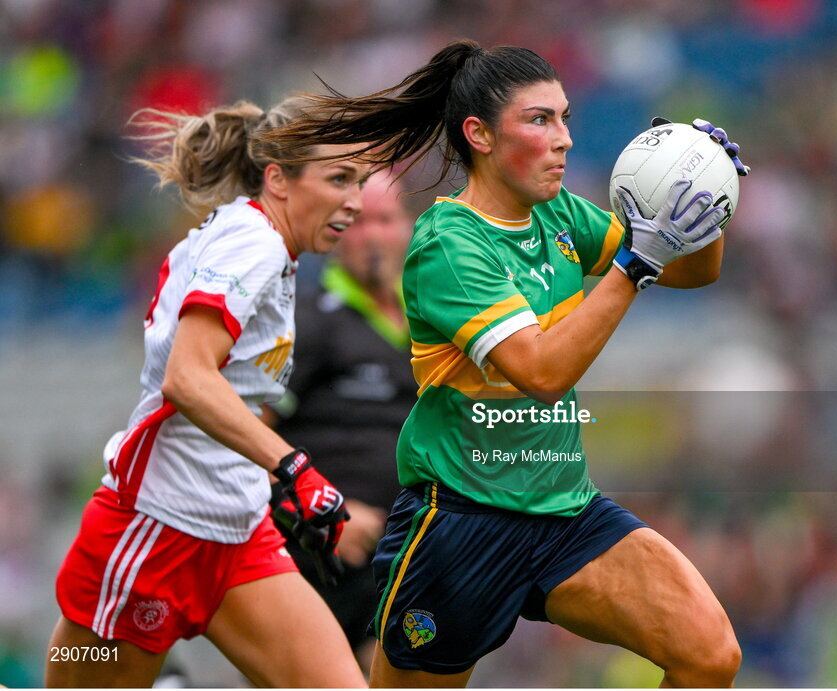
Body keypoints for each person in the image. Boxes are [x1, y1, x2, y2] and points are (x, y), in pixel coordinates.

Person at [262, 39, 749, 687]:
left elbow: (690, 269)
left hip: (563, 512)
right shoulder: (447, 243)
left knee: (709, 652)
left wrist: (703, 199)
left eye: (566, 116)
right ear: (479, 135)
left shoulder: (558, 211)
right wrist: (636, 261)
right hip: (459, 525)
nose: (565, 138)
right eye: (540, 119)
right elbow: (542, 373)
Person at [46, 97, 369, 688]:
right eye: (339, 179)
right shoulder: (256, 243)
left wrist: (272, 479)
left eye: (362, 182)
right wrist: (294, 466)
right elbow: (188, 378)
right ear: (278, 178)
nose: (356, 201)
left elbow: (233, 395)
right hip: (157, 530)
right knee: (77, 678)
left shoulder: (274, 248)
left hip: (238, 532)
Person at [266, 170, 417, 669]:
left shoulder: (435, 324)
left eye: (384, 219)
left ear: (409, 228)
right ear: (334, 234)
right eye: (355, 221)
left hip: (407, 559)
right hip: (321, 561)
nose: (371, 234)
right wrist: (316, 511)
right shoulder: (305, 322)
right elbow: (243, 434)